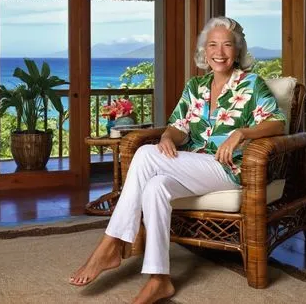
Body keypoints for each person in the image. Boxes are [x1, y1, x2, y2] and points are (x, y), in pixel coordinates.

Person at [69, 16, 286, 303]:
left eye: (227, 45)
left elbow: (278, 123)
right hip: (194, 166)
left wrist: (242, 133)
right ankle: (159, 279)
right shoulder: (195, 87)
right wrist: (168, 138)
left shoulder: (251, 84)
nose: (219, 52)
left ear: (238, 50)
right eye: (212, 45)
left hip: (229, 169)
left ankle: (111, 244)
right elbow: (178, 127)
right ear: (204, 51)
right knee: (156, 186)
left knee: (145, 154)